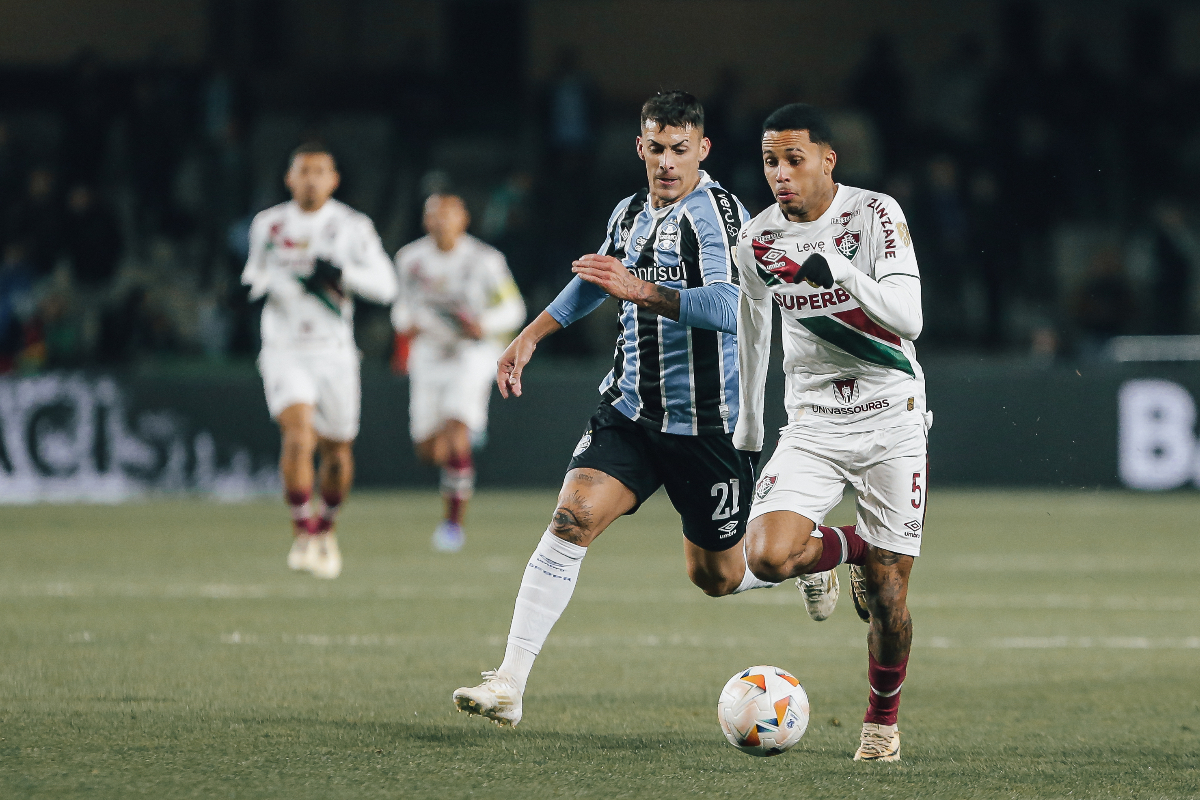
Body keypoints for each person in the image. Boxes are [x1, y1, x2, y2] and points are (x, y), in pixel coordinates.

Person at [453, 91, 771, 728]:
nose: (667, 161)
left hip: (707, 425)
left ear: (703, 149)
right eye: (656, 148)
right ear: (640, 148)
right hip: (629, 411)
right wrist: (530, 336)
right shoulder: (630, 212)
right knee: (571, 519)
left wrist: (642, 290)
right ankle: (509, 683)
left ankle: (812, 555)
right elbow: (594, 280)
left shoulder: (720, 218)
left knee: (716, 575)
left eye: (680, 149)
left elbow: (728, 308)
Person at [734, 103, 930, 762]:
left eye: (794, 159)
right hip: (814, 420)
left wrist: (839, 270)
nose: (781, 174)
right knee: (764, 556)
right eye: (770, 161)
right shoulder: (757, 240)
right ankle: (846, 550)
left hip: (890, 414)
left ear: (827, 160)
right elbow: (753, 326)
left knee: (890, 597)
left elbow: (910, 318)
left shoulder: (876, 216)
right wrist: (751, 425)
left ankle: (881, 725)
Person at [241, 142, 398, 578]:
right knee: (297, 436)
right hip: (284, 348)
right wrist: (264, 284)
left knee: (337, 450)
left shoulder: (352, 226)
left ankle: (325, 528)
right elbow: (252, 274)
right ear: (289, 178)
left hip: (334, 352)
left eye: (319, 171)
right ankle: (302, 534)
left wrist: (340, 274)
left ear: (334, 180)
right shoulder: (268, 225)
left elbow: (386, 287)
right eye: (303, 171)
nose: (311, 178)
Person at [392, 194, 526, 551]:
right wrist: (407, 325)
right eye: (434, 216)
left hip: (471, 354)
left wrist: (484, 324)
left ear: (464, 219)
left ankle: (452, 526)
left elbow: (514, 308)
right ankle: (467, 434)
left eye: (449, 215)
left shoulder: (485, 260)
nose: (441, 222)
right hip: (429, 355)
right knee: (427, 449)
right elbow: (401, 308)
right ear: (425, 221)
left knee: (455, 435)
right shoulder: (410, 259)